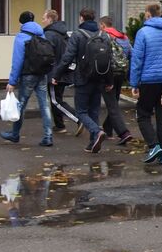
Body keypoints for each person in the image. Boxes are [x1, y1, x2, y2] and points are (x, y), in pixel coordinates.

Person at [130, 3, 162, 164]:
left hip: (148, 80)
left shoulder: (143, 33)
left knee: (143, 114)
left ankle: (154, 146)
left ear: (148, 15)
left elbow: (137, 59)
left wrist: (134, 83)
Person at [57, 8, 111, 154]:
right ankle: (93, 143)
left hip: (83, 78)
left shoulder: (77, 35)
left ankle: (96, 131)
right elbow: (108, 60)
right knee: (94, 110)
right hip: (99, 78)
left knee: (81, 111)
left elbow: (67, 57)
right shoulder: (103, 35)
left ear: (81, 18)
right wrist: (108, 81)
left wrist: (57, 75)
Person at [0, 11, 54, 147]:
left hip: (27, 75)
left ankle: (15, 134)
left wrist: (12, 81)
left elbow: (17, 60)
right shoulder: (41, 34)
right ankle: (48, 136)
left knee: (21, 105)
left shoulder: (21, 37)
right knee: (45, 105)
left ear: (21, 22)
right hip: (41, 73)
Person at [98, 15, 135, 145]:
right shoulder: (123, 37)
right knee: (114, 101)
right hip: (121, 74)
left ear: (103, 25)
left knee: (112, 104)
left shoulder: (104, 36)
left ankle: (123, 132)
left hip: (109, 74)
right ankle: (108, 129)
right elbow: (132, 55)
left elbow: (102, 57)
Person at [42, 10, 78, 133]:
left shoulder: (49, 35)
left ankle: (78, 119)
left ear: (50, 19)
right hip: (62, 70)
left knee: (55, 100)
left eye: (44, 18)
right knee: (56, 98)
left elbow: (46, 55)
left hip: (53, 73)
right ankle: (59, 125)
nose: (42, 21)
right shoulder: (63, 33)